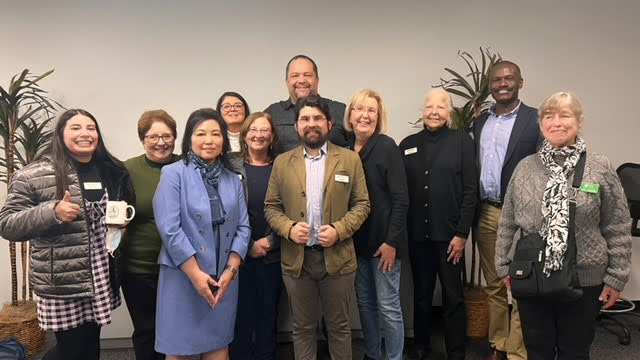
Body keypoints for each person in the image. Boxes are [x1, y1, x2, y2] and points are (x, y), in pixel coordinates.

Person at [495, 91, 632, 359]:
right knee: (538, 349)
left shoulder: (599, 167)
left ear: (579, 122)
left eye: (565, 115)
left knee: (574, 350)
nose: (556, 122)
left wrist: (617, 276)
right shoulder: (525, 168)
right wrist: (503, 266)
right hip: (532, 275)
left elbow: (617, 224)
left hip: (584, 277)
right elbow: (508, 222)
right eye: (549, 116)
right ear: (541, 123)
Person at [0, 109, 135, 360]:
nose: (85, 133)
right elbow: (7, 224)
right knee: (71, 349)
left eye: (91, 128)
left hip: (100, 272)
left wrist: (121, 225)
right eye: (76, 128)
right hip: (62, 279)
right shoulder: (34, 174)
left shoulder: (110, 170)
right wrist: (52, 212)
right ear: (60, 134)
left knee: (91, 344)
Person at [264, 96, 370, 360]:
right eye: (305, 119)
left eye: (317, 118)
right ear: (297, 126)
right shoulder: (282, 162)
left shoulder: (348, 160)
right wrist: (288, 228)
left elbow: (362, 204)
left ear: (329, 123)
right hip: (297, 261)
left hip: (338, 259)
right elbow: (271, 207)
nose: (311, 124)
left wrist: (339, 229)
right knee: (302, 328)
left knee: (339, 328)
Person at [153, 108, 251, 359]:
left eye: (216, 134)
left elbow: (243, 227)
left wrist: (232, 269)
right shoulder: (173, 173)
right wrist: (196, 275)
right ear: (189, 138)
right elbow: (169, 228)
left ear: (223, 140)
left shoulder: (233, 179)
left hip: (223, 278)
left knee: (218, 346)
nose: (209, 140)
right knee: (180, 350)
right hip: (183, 276)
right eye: (201, 133)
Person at [400, 89, 478, 360]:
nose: (434, 112)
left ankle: (456, 350)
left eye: (441, 107)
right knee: (421, 293)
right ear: (423, 110)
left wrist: (462, 233)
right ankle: (421, 345)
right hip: (418, 235)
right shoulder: (408, 144)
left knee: (453, 296)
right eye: (429, 106)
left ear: (450, 112)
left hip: (450, 237)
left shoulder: (462, 142)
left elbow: (470, 191)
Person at [472, 60, 541, 360]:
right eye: (497, 79)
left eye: (509, 79)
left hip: (521, 216)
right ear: (490, 86)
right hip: (486, 213)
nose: (503, 84)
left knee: (522, 284)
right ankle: (499, 344)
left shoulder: (535, 119)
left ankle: (517, 349)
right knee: (494, 283)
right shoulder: (479, 122)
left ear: (520, 82)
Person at [345, 89, 409, 360]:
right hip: (356, 244)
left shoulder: (386, 147)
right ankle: (372, 354)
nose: (365, 115)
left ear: (379, 117)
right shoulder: (345, 150)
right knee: (366, 305)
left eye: (371, 110)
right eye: (359, 109)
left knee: (389, 306)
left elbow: (401, 199)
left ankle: (393, 357)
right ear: (350, 115)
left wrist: (391, 242)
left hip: (384, 244)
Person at [121, 109, 180, 360]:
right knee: (147, 331)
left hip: (181, 267)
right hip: (139, 268)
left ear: (175, 138)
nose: (160, 142)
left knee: (178, 330)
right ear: (142, 139)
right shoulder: (127, 169)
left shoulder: (186, 164)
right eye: (153, 136)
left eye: (167, 136)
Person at [229, 112, 282, 360]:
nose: (258, 135)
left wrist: (271, 242)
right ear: (245, 134)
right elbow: (226, 211)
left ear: (272, 136)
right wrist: (248, 245)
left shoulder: (282, 166)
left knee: (268, 313)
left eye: (264, 131)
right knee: (241, 314)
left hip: (274, 253)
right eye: (253, 130)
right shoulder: (231, 167)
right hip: (240, 255)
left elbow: (293, 208)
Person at [265, 54, 349, 153]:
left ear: (317, 80)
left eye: (307, 75)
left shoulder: (340, 110)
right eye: (295, 75)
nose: (301, 80)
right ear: (287, 82)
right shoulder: (272, 114)